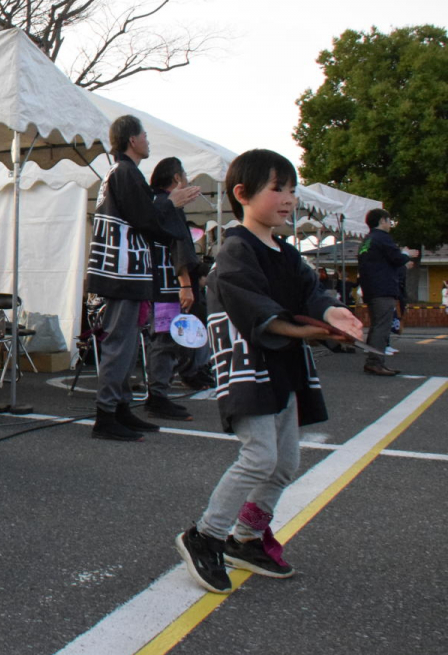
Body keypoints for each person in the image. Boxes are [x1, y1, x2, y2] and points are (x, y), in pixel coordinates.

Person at [174, 149, 362, 594]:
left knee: (285, 462)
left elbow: (312, 293)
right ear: (242, 194)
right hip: (249, 368)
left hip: (282, 366)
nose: (289, 198)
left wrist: (333, 313)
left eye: (292, 189)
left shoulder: (287, 253)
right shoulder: (236, 250)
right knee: (259, 456)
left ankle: (247, 536)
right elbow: (259, 312)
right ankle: (205, 536)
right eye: (277, 188)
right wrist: (309, 331)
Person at [85, 115, 200, 442]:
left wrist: (166, 205)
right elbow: (145, 220)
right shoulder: (124, 173)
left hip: (125, 271)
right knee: (120, 346)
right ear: (132, 140)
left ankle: (120, 407)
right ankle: (105, 414)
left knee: (126, 344)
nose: (148, 140)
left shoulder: (120, 174)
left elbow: (143, 219)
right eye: (144, 135)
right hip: (120, 272)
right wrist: (170, 203)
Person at [142, 157, 199, 421]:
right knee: (165, 340)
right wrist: (186, 283)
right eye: (184, 175)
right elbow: (180, 244)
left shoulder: (150, 203)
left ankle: (158, 394)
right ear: (177, 178)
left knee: (160, 339)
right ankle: (158, 397)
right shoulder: (169, 204)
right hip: (167, 282)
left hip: (150, 279)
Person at [356, 208, 415, 376]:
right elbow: (396, 258)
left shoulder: (367, 240)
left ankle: (373, 360)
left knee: (377, 325)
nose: (390, 225)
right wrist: (406, 253)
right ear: (382, 220)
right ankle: (375, 362)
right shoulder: (382, 238)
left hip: (370, 288)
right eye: (389, 221)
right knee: (382, 326)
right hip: (383, 288)